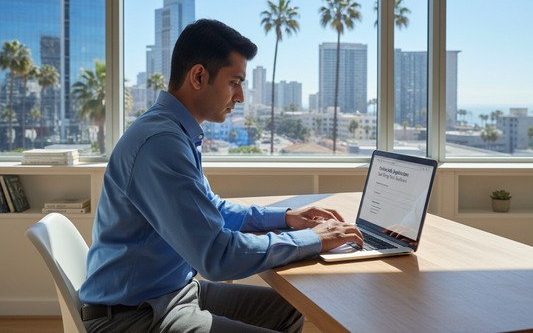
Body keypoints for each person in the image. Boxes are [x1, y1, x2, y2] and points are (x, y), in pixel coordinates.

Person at [79, 19, 363, 333]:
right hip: (134, 315)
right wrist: (314, 239)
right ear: (199, 76)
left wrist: (286, 218)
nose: (240, 96)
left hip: (170, 293)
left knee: (288, 311)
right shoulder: (160, 143)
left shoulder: (175, 132)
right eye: (234, 82)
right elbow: (216, 256)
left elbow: (212, 209)